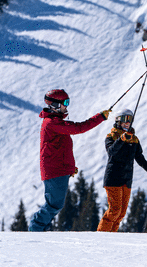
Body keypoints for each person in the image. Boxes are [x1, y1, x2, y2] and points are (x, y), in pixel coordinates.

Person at [29, 89, 111, 232]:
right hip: (54, 171)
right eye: (65, 102)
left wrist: (68, 167)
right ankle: (34, 229)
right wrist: (100, 117)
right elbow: (79, 128)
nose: (67, 106)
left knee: (55, 204)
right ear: (55, 104)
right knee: (54, 205)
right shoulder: (52, 123)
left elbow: (61, 149)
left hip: (58, 169)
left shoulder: (55, 123)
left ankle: (39, 231)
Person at [97, 109, 147, 232]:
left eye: (130, 120)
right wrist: (121, 139)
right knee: (114, 211)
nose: (127, 123)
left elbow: (140, 158)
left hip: (126, 180)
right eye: (124, 119)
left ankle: (111, 238)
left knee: (121, 213)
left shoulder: (134, 139)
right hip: (113, 178)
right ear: (118, 121)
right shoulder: (111, 136)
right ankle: (102, 236)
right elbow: (111, 152)